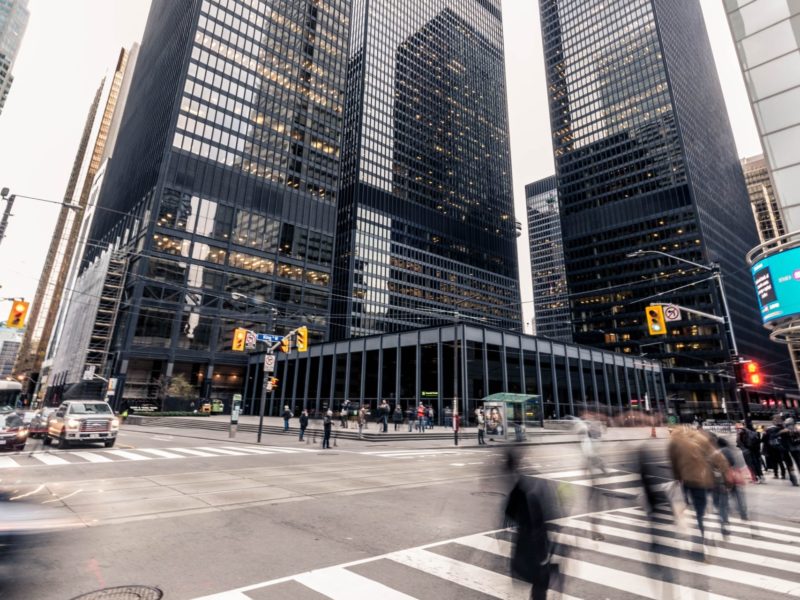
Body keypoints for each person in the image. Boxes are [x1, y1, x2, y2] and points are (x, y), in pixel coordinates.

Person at [669, 426, 729, 544]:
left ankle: (701, 529)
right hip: (704, 479)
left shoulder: (675, 442)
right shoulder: (701, 439)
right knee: (712, 503)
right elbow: (718, 457)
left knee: (698, 508)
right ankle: (719, 524)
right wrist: (725, 474)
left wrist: (677, 477)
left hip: (687, 480)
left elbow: (674, 462)